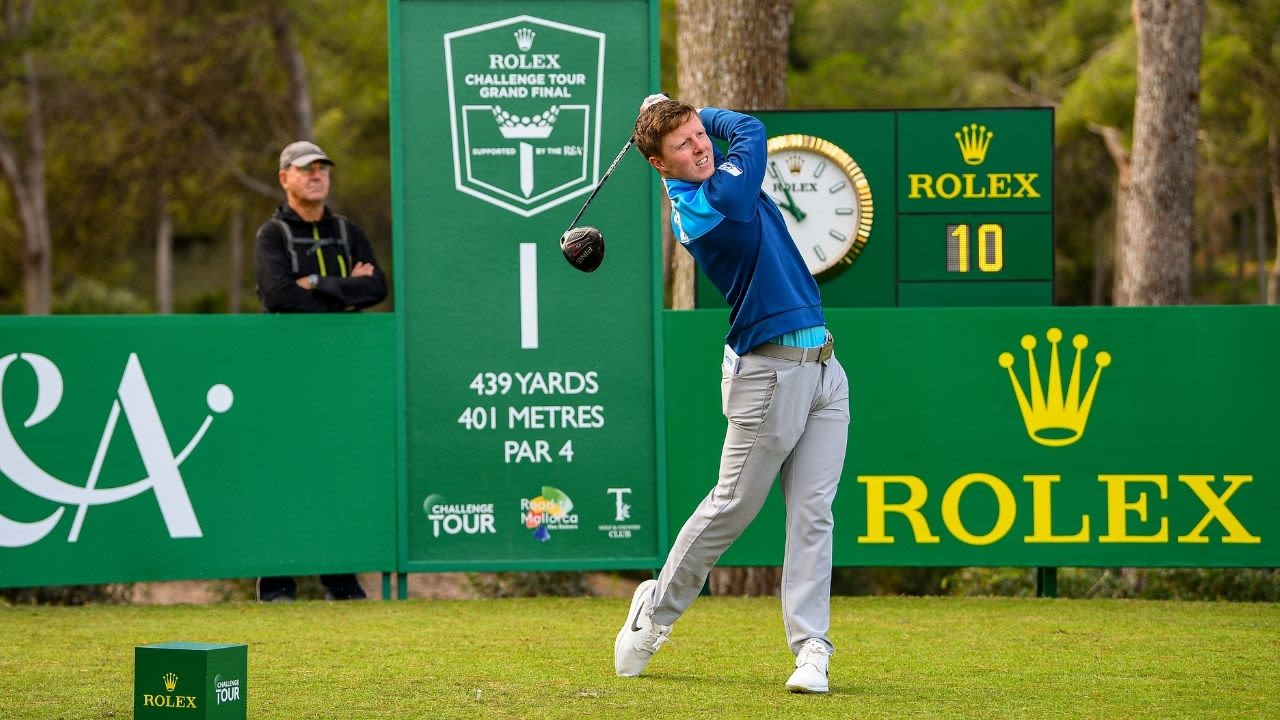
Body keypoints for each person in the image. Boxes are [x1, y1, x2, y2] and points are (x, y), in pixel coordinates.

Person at [614, 97, 850, 693]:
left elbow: (734, 131)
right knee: (732, 506)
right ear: (658, 164)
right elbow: (751, 128)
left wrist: (681, 110)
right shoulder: (710, 203)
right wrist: (702, 117)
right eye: (684, 145)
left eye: (699, 135)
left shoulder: (707, 176)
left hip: (825, 369)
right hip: (768, 375)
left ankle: (811, 648)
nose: (701, 147)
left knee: (813, 514)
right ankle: (655, 612)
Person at [252, 140, 388, 601]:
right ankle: (276, 581)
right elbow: (279, 297)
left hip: (342, 371)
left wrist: (319, 283)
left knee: (340, 469)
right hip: (288, 373)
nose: (317, 175)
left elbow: (377, 288)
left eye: (323, 169)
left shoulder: (347, 231)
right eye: (306, 169)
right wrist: (346, 291)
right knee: (285, 472)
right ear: (284, 177)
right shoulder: (272, 235)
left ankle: (340, 577)